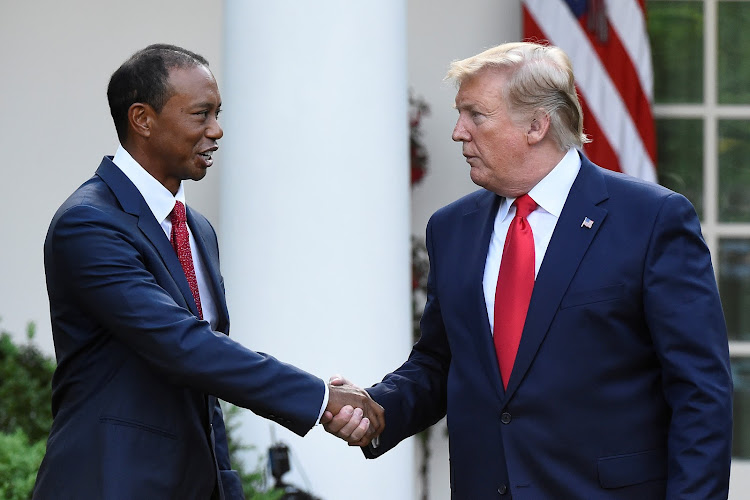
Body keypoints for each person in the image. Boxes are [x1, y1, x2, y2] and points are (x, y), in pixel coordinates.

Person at [323, 42, 733, 499]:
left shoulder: (651, 219)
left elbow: (701, 393)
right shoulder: (451, 228)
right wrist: (378, 408)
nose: (458, 132)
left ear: (537, 125)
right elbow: (440, 362)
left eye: (475, 114)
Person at [33, 44, 382, 500]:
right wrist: (319, 398)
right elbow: (183, 346)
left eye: (218, 113)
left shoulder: (197, 229)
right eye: (201, 114)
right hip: (110, 481)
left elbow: (204, 383)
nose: (217, 130)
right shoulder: (89, 223)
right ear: (142, 119)